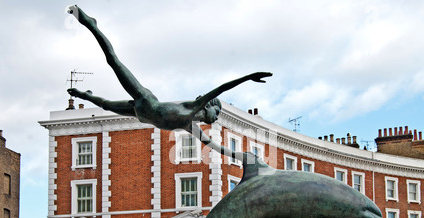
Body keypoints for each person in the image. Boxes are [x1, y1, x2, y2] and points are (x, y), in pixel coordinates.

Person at [67, 5, 272, 134]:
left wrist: (245, 159)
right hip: (144, 99)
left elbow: (214, 146)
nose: (216, 117)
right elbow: (222, 88)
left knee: (104, 105)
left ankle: (84, 95)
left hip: (140, 114)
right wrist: (249, 77)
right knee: (113, 61)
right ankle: (91, 24)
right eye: (216, 111)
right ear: (206, 107)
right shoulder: (193, 107)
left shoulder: (190, 127)